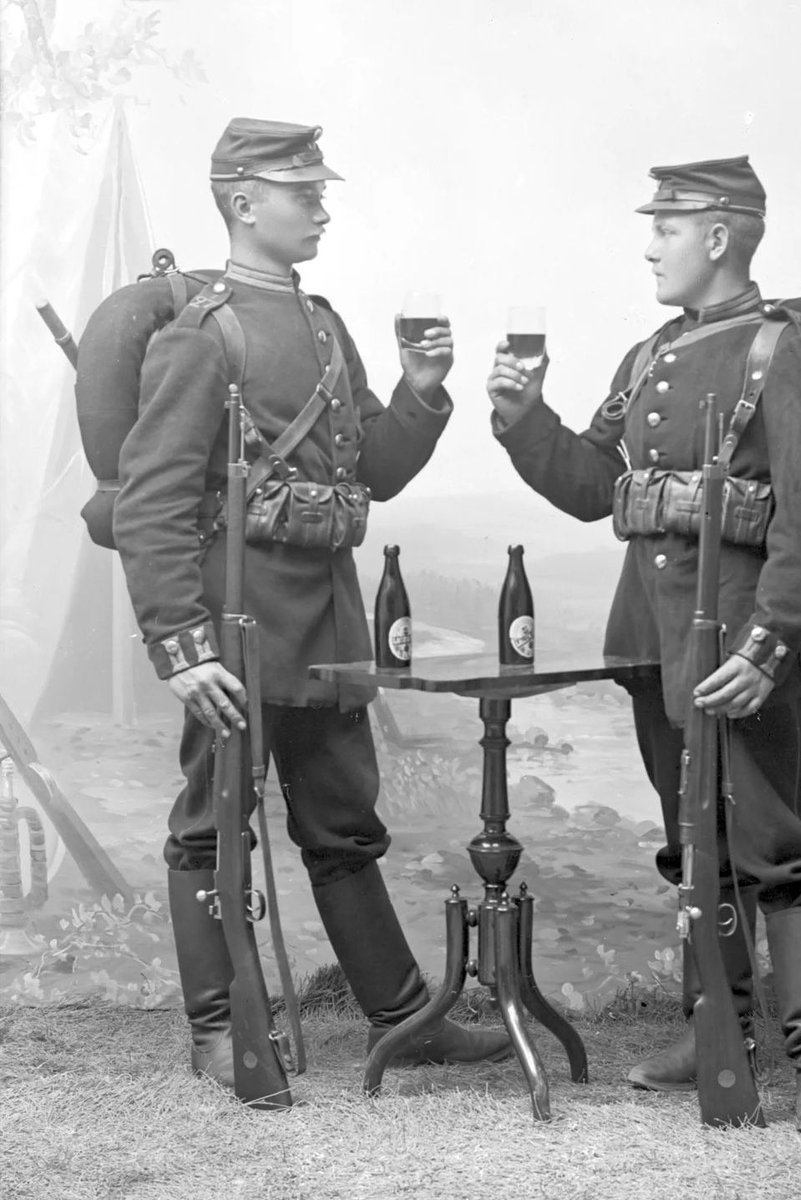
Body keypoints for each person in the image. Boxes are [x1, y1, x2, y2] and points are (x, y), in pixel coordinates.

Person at [113, 117, 511, 1091]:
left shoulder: (326, 326)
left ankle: (401, 1019)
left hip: (325, 619)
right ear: (244, 202)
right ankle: (219, 1031)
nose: (323, 207)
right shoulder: (207, 333)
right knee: (210, 827)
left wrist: (420, 392)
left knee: (342, 823)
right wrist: (179, 644)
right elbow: (152, 500)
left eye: (321, 191)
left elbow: (371, 471)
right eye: (305, 191)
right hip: (235, 624)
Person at [486, 156, 801, 1135]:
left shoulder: (793, 356)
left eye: (666, 226)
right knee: (692, 845)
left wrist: (771, 644)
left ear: (722, 236)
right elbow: (589, 488)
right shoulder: (650, 357)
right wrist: (523, 420)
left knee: (781, 842)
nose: (648, 243)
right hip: (653, 644)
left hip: (744, 643)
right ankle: (718, 1031)